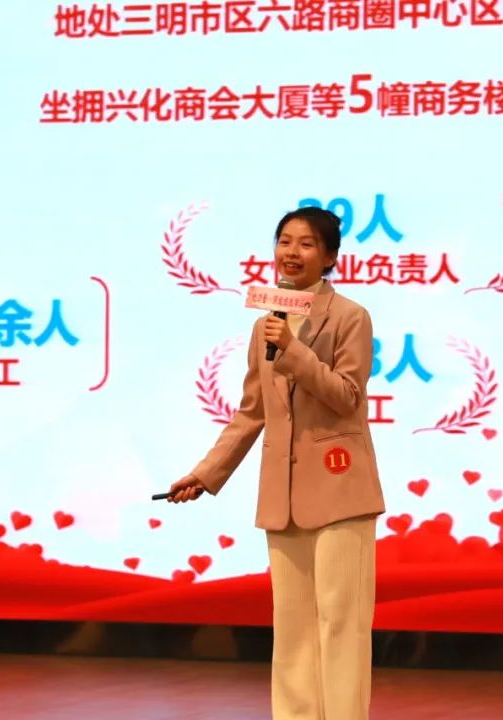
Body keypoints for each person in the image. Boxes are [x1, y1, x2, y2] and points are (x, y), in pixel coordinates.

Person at [168, 206, 386, 720]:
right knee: (291, 628)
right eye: (284, 241)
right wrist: (206, 474)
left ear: (329, 257)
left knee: (341, 623)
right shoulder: (265, 325)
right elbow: (252, 413)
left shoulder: (350, 317)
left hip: (339, 491)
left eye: (306, 244)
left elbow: (348, 397)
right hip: (282, 495)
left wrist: (292, 350)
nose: (291, 252)